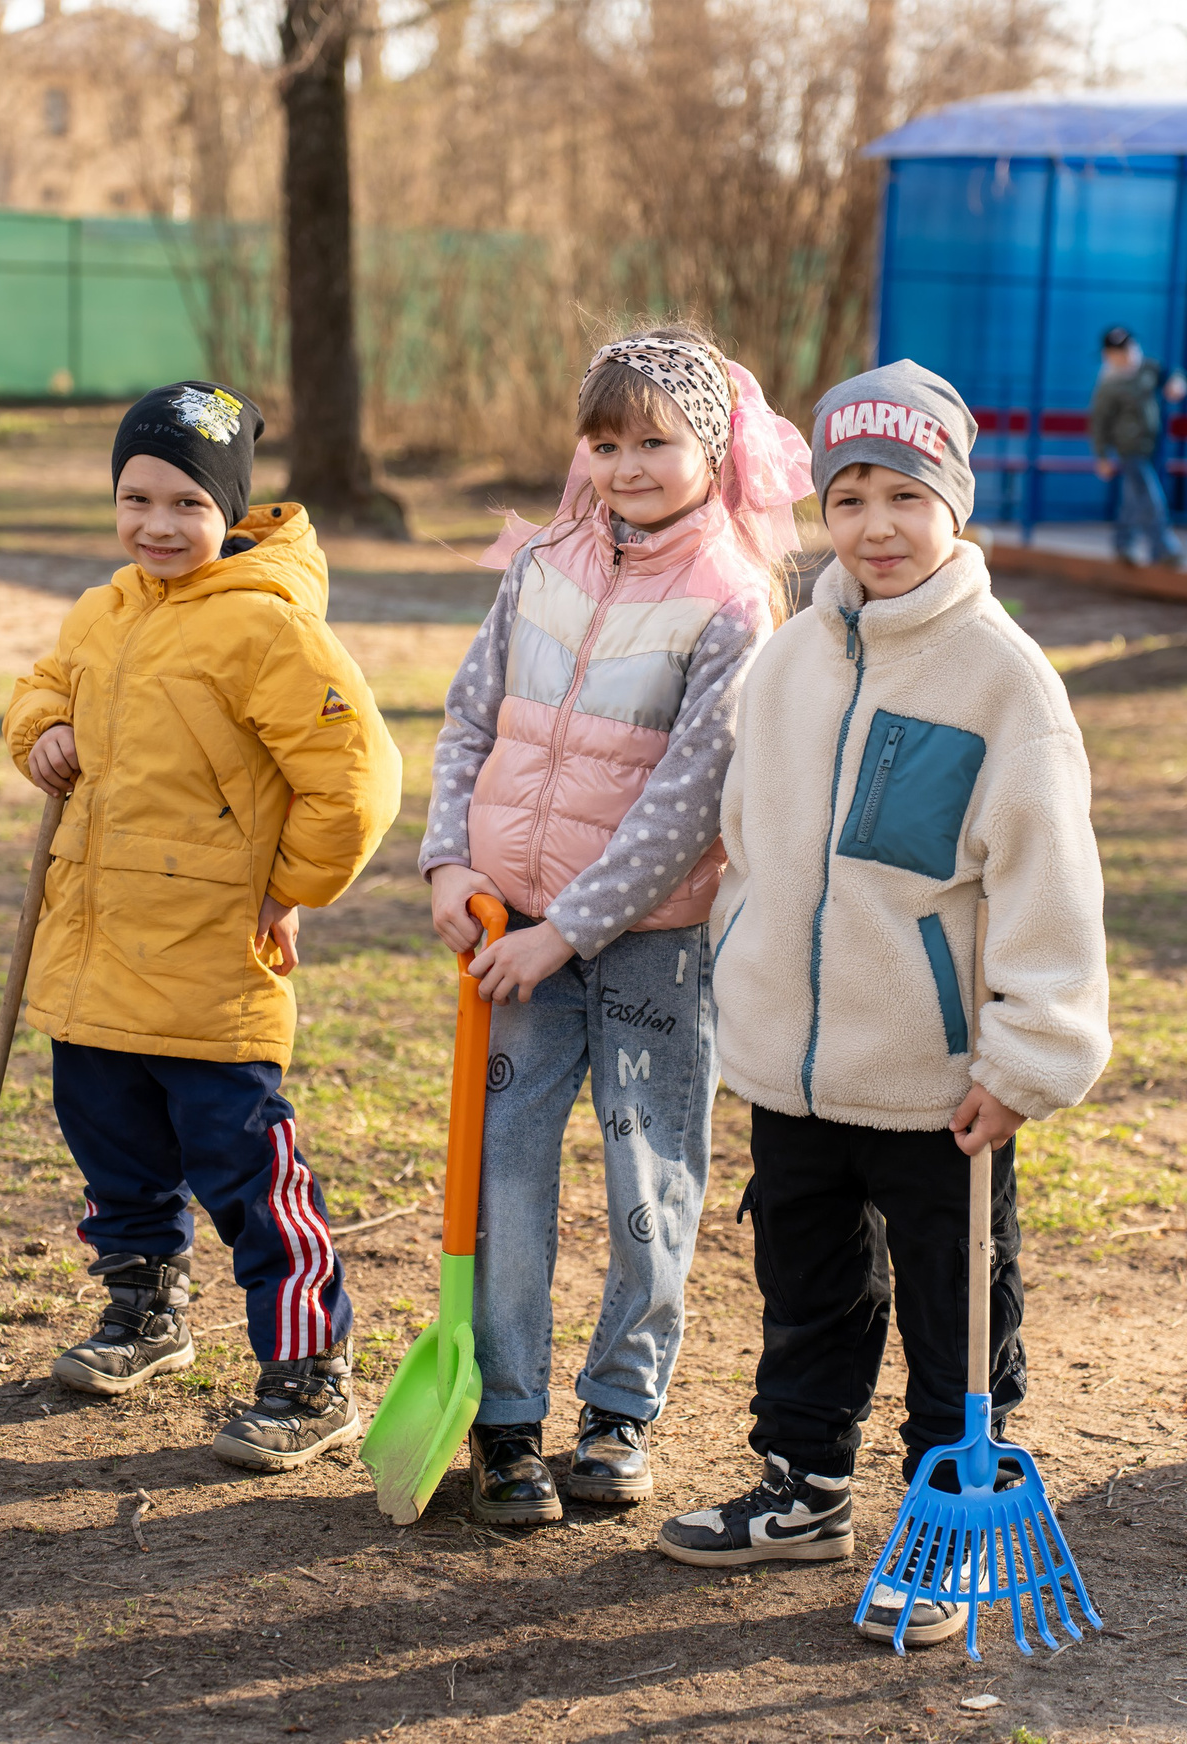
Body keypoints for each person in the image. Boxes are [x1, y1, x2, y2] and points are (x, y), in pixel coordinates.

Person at [656, 360, 1112, 1649]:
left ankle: (949, 1509)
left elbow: (1047, 891)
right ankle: (802, 1486)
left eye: (905, 495)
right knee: (808, 1285)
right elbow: (749, 835)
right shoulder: (792, 657)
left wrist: (1023, 1056)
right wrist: (743, 956)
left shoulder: (1004, 682)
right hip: (799, 1074)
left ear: (953, 504)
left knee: (953, 1305)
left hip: (940, 1077)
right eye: (848, 496)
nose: (875, 526)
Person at [423, 324, 813, 1525]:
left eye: (656, 439)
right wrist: (447, 857)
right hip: (508, 929)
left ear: (712, 445)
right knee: (508, 1180)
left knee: (652, 1175)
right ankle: (503, 1421)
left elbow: (683, 807)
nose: (627, 462)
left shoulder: (731, 602)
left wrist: (568, 932)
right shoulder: (540, 560)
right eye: (606, 440)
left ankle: (619, 1408)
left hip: (647, 941)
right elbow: (467, 717)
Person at [2, 380, 403, 1473]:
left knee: (246, 1169)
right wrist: (40, 729)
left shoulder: (266, 629)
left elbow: (356, 780)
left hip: (213, 961)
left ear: (226, 508)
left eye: (184, 503)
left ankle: (310, 1369)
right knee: (111, 1148)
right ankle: (144, 1310)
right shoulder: (104, 608)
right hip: (92, 953)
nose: (157, 526)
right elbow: (41, 687)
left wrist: (288, 888)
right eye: (136, 498)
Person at [1087, 323, 1185, 569]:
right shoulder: (1108, 385)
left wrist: (1177, 383)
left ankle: (1122, 543)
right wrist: (1101, 456)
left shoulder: (1146, 368)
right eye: (1119, 351)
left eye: (1129, 347)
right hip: (1129, 449)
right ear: (1108, 355)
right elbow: (1099, 423)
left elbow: (1169, 375)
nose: (1127, 355)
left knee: (1133, 498)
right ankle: (1163, 549)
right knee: (1150, 498)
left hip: (1152, 444)